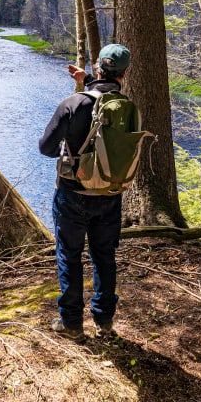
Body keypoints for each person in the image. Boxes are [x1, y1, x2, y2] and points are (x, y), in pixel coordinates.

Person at [39, 43, 131, 342]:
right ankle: (104, 322)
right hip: (110, 194)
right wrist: (85, 82)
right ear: (125, 73)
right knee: (104, 256)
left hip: (73, 193)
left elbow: (46, 148)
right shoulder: (125, 106)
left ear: (97, 67)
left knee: (70, 255)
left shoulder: (74, 103)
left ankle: (72, 323)